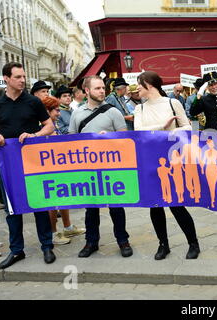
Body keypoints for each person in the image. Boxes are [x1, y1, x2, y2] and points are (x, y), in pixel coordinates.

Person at [134, 71, 200, 260]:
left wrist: (171, 132)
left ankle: (193, 243)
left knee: (176, 204)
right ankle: (163, 244)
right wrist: (162, 127)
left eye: (139, 83)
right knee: (155, 206)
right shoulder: (140, 109)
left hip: (173, 158)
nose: (137, 87)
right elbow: (138, 131)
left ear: (149, 84)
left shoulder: (173, 103)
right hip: (150, 160)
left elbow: (187, 127)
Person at [0, 62, 56, 270]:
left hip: (33, 162)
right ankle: (16, 250)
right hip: (7, 164)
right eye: (18, 77)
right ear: (6, 78)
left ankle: (47, 246)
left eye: (24, 76)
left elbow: (50, 126)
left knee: (39, 203)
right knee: (12, 209)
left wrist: (35, 135)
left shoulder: (33, 102)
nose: (23, 80)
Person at [68, 75, 133, 259]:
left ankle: (123, 240)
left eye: (103, 88)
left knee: (116, 206)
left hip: (111, 168)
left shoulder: (113, 112)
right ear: (86, 91)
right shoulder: (77, 114)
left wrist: (110, 138)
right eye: (97, 88)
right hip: (88, 169)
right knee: (91, 208)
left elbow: (124, 138)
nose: (102, 91)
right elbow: (72, 142)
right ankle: (91, 242)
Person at [41, 96, 86, 245]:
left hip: (61, 168)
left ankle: (67, 227)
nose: (59, 113)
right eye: (56, 110)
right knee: (52, 202)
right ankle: (53, 232)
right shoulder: (43, 128)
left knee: (63, 197)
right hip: (50, 171)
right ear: (47, 111)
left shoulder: (55, 125)